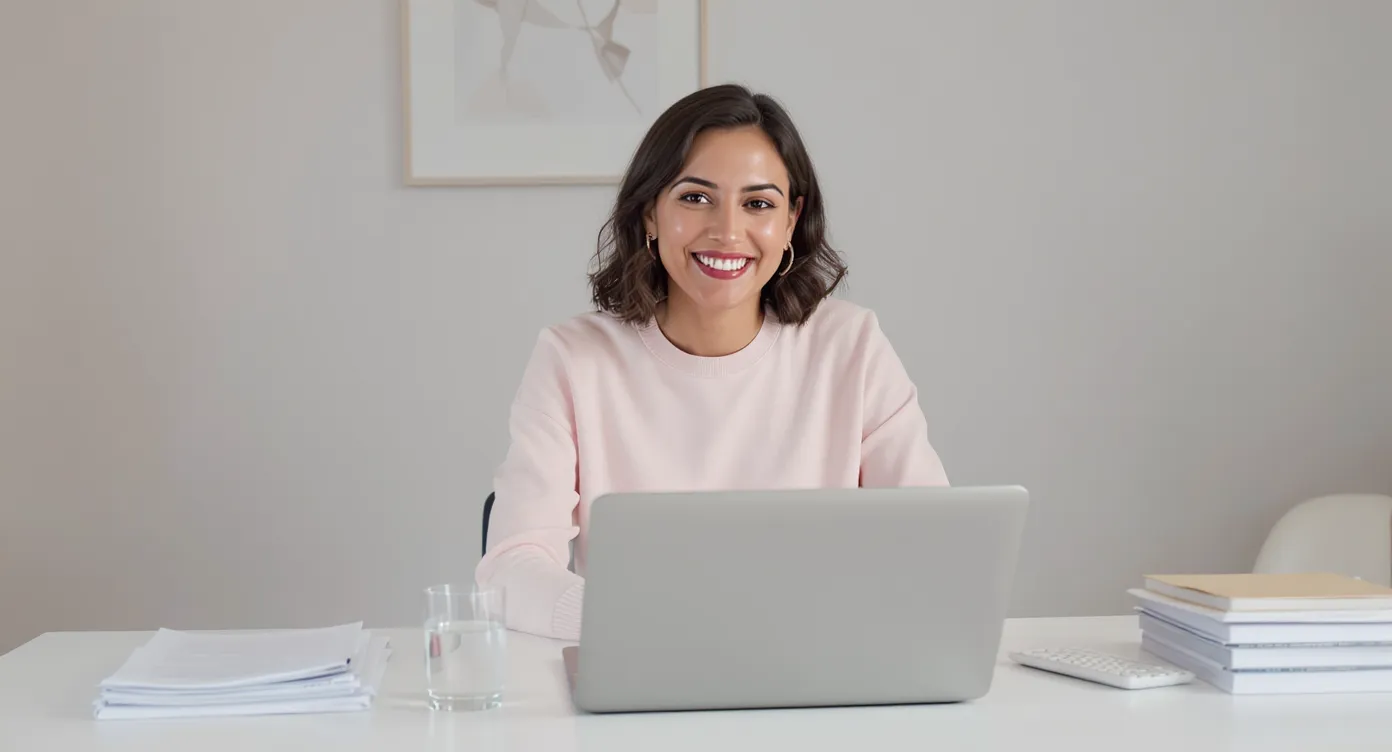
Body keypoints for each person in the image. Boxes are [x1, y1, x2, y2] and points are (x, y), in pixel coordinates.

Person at [474, 84, 949, 640]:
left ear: (791, 221)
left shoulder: (851, 347)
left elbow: (934, 546)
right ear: (650, 212)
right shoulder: (573, 359)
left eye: (758, 203)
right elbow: (511, 568)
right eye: (695, 198)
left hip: (814, 673)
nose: (727, 231)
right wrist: (649, 626)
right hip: (642, 669)